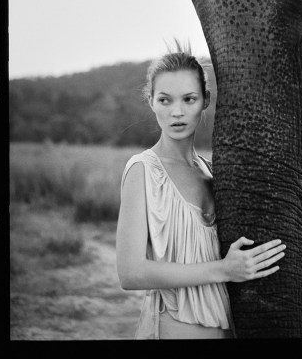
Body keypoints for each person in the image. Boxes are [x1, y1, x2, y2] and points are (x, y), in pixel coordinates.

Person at [116, 46, 286, 339]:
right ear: (151, 102)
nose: (177, 112)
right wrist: (224, 270)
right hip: (171, 328)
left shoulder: (211, 172)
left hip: (225, 326)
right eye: (165, 100)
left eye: (189, 99)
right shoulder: (142, 170)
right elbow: (130, 273)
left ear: (205, 100)